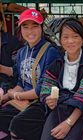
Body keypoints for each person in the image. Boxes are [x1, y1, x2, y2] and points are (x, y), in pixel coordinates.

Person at [0, 8, 61, 140]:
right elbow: (21, 83)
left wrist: (15, 95)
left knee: (17, 125)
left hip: (42, 102)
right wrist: (4, 98)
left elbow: (41, 90)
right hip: (24, 100)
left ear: (41, 28)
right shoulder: (22, 52)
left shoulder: (51, 52)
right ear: (20, 29)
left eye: (34, 26)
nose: (30, 31)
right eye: (25, 27)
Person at [39, 17, 83, 140]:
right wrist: (48, 99)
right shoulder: (57, 62)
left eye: (75, 36)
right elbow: (46, 87)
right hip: (59, 108)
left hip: (81, 112)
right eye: (65, 37)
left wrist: (68, 123)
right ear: (60, 40)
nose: (70, 41)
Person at [0, 3, 22, 93]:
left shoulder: (13, 42)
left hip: (10, 86)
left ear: (1, 23)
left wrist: (2, 69)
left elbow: (20, 72)